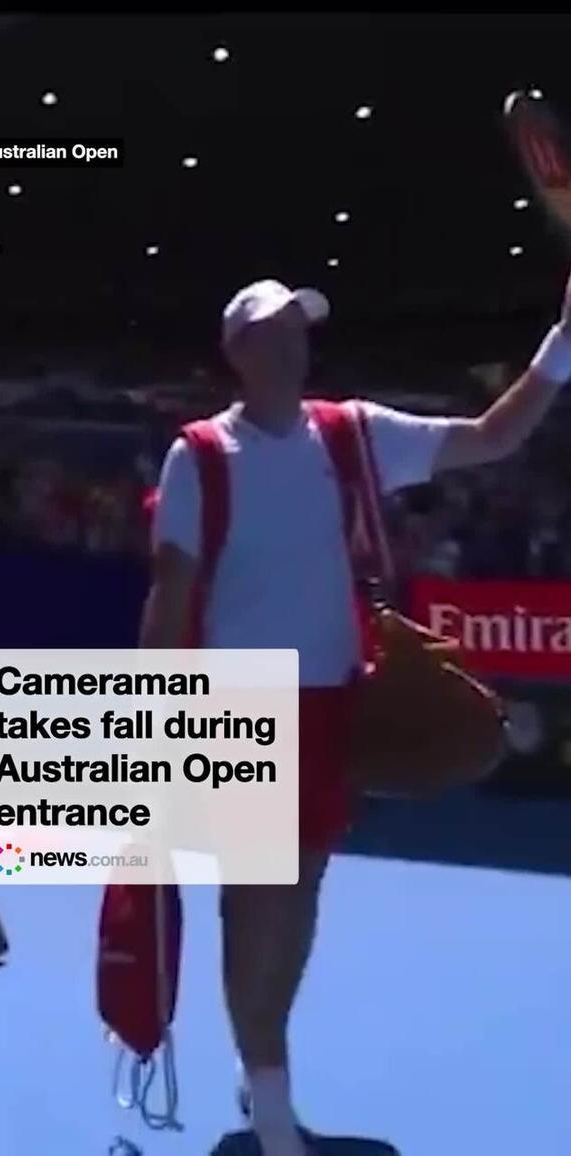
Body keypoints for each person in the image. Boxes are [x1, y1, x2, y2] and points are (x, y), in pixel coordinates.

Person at [140, 273, 571, 1156]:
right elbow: (170, 593)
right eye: (272, 330)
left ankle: (263, 1064)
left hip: (334, 702)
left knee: (296, 903)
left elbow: (494, 438)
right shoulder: (198, 456)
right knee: (255, 907)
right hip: (238, 711)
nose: (293, 342)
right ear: (237, 351)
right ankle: (268, 1098)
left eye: (300, 328)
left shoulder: (352, 434)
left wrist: (564, 343)